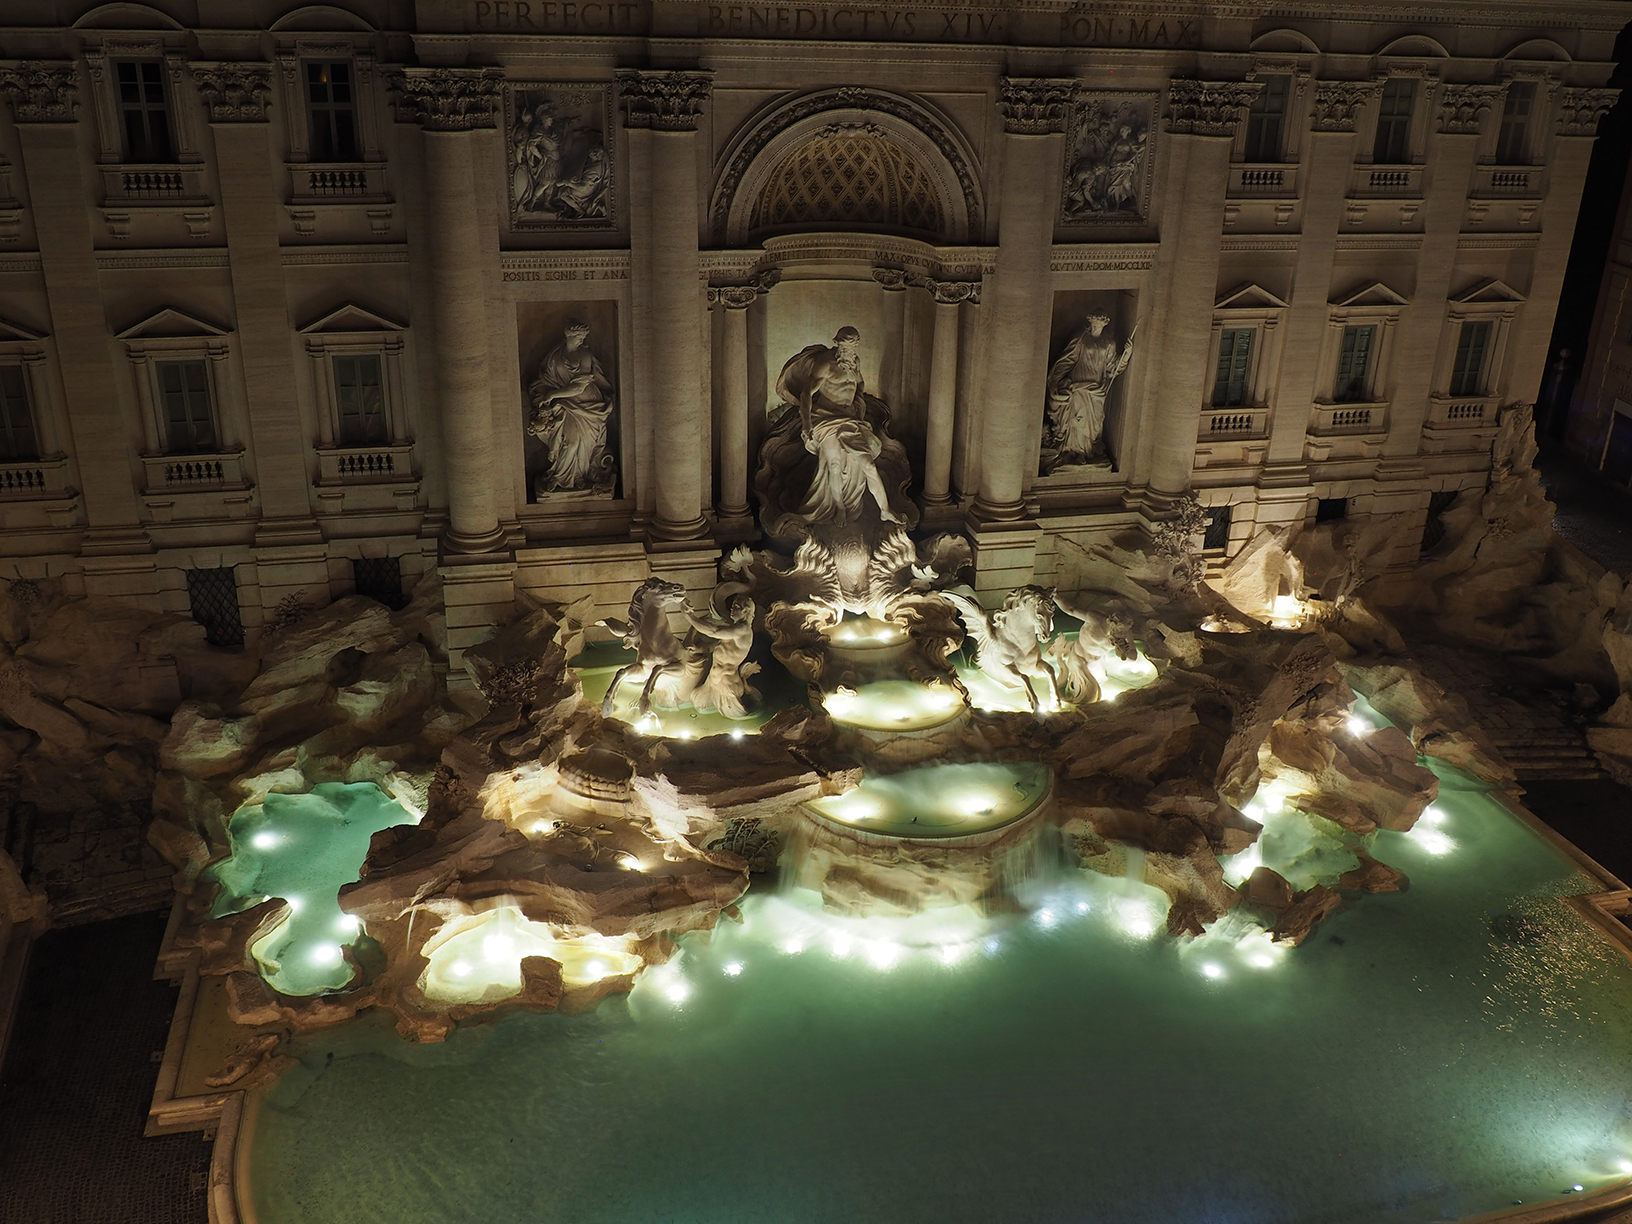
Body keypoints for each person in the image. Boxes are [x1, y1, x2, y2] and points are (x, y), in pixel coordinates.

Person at [775, 326, 904, 525]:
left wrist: (859, 403)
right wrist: (807, 425)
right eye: (845, 345)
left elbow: (859, 384)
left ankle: (885, 510)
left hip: (848, 420)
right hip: (824, 419)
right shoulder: (825, 363)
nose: (849, 350)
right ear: (837, 343)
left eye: (853, 346)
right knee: (834, 465)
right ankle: (840, 509)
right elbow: (806, 394)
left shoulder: (855, 363)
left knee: (869, 464)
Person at [527, 320, 615, 495]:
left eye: (583, 337)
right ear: (569, 336)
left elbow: (578, 387)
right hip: (564, 405)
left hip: (586, 404)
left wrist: (552, 395)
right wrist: (546, 395)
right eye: (579, 337)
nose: (582, 340)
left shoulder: (585, 355)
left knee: (583, 443)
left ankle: (579, 475)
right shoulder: (555, 355)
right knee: (570, 442)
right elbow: (547, 379)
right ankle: (560, 477)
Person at [1046, 314, 1137, 466]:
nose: (1095, 327)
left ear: (1104, 325)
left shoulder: (1109, 344)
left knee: (1093, 424)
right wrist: (1056, 381)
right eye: (1093, 324)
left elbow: (1112, 368)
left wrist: (1126, 355)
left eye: (1098, 325)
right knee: (1075, 419)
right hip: (1078, 386)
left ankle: (1086, 451)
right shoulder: (1080, 338)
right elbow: (1067, 359)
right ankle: (1070, 451)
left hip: (1096, 390)